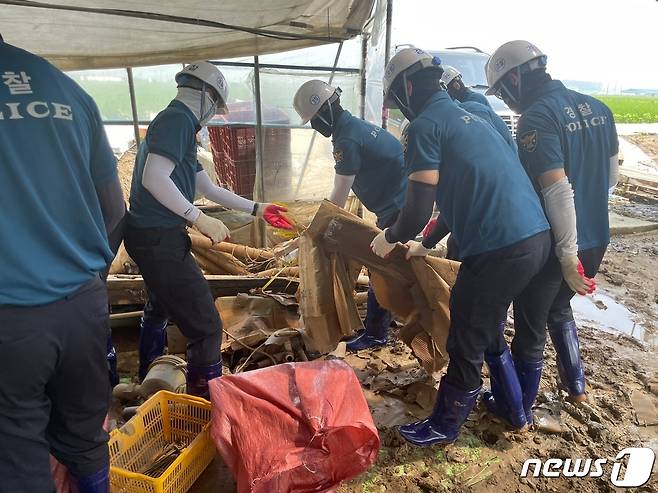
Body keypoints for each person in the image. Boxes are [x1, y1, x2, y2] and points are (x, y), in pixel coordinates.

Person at [372, 47, 552, 446]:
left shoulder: (425, 127)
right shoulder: (477, 118)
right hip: (535, 238)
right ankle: (514, 407)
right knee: (484, 329)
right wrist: (428, 242)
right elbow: (463, 193)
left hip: (499, 248)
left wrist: (390, 237)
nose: (398, 107)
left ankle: (445, 424)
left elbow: (418, 208)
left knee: (466, 335)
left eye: (395, 99)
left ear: (405, 85)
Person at [0, 37, 125, 492]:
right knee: (85, 437)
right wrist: (91, 282)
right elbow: (116, 213)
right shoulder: (65, 91)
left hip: (11, 320)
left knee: (16, 455)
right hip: (82, 308)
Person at [125, 61, 292, 397]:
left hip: (151, 235)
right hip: (159, 239)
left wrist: (258, 209)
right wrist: (197, 218)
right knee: (207, 328)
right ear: (206, 95)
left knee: (160, 304)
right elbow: (154, 178)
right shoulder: (177, 120)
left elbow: (209, 189)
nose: (213, 114)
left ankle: (147, 379)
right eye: (215, 106)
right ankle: (203, 406)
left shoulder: (182, 127)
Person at [485, 40, 618, 403]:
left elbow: (557, 190)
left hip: (560, 244)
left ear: (514, 78)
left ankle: (517, 407)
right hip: (597, 238)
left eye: (503, 91)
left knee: (529, 325)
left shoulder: (538, 116)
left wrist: (565, 254)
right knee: (559, 307)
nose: (507, 101)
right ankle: (575, 386)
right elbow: (610, 179)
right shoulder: (600, 108)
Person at [293, 80, 407, 351]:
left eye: (313, 120)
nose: (314, 126)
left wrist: (319, 230)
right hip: (397, 202)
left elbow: (340, 194)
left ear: (325, 112)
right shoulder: (351, 126)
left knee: (380, 265)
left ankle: (376, 333)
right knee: (389, 265)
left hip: (397, 206)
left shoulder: (346, 138)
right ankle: (392, 314)